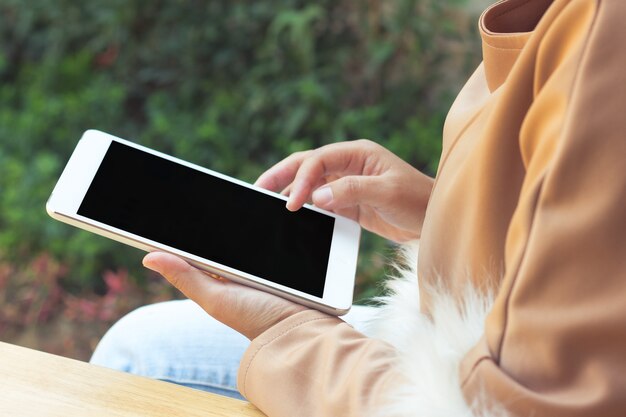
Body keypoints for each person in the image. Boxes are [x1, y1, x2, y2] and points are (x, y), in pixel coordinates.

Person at [90, 0, 626, 415]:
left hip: (469, 389)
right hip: (471, 346)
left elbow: (518, 405)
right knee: (144, 341)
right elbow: (590, 243)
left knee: (143, 356)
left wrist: (290, 330)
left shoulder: (606, 35)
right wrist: (439, 211)